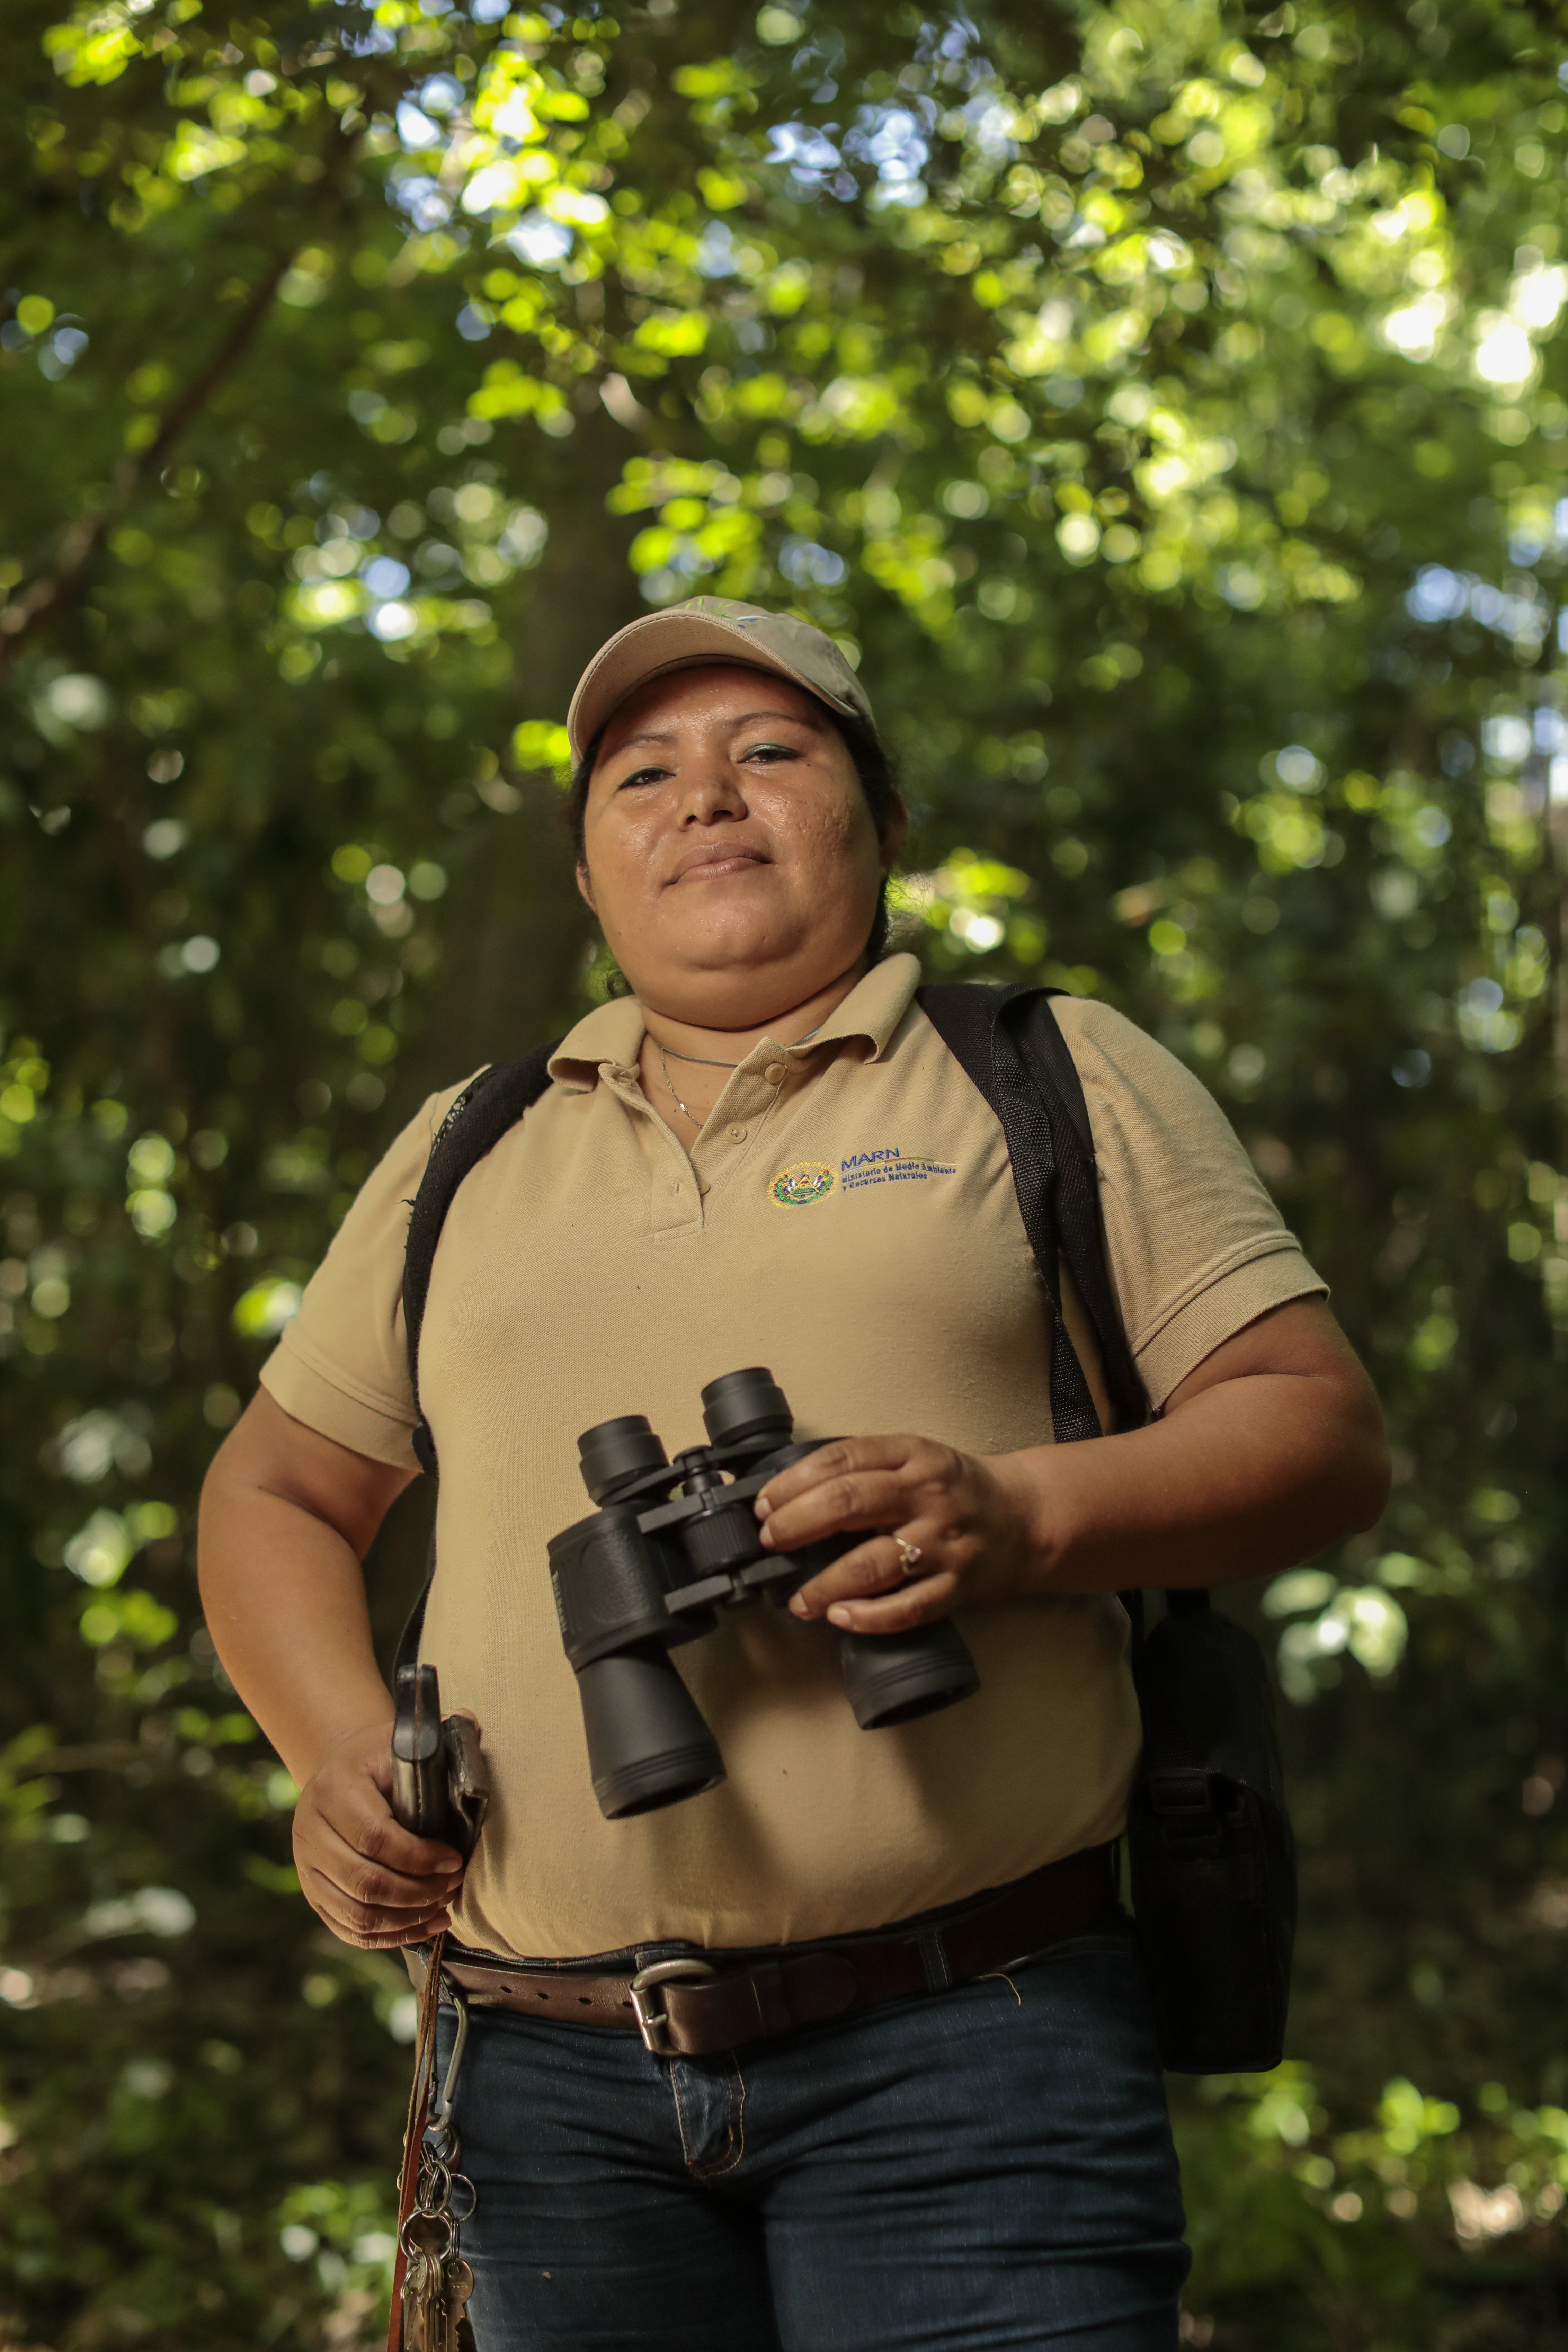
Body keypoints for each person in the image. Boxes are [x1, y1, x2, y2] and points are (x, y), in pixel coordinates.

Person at [198, 595, 1390, 2352]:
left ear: (882, 824)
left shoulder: (1043, 1073)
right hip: (537, 2076)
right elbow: (276, 1492)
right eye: (642, 775)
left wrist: (1017, 1516)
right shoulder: (474, 1143)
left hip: (968, 2043)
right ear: (591, 875)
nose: (707, 798)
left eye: (771, 751)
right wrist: (336, 1760)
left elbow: (1318, 1432)